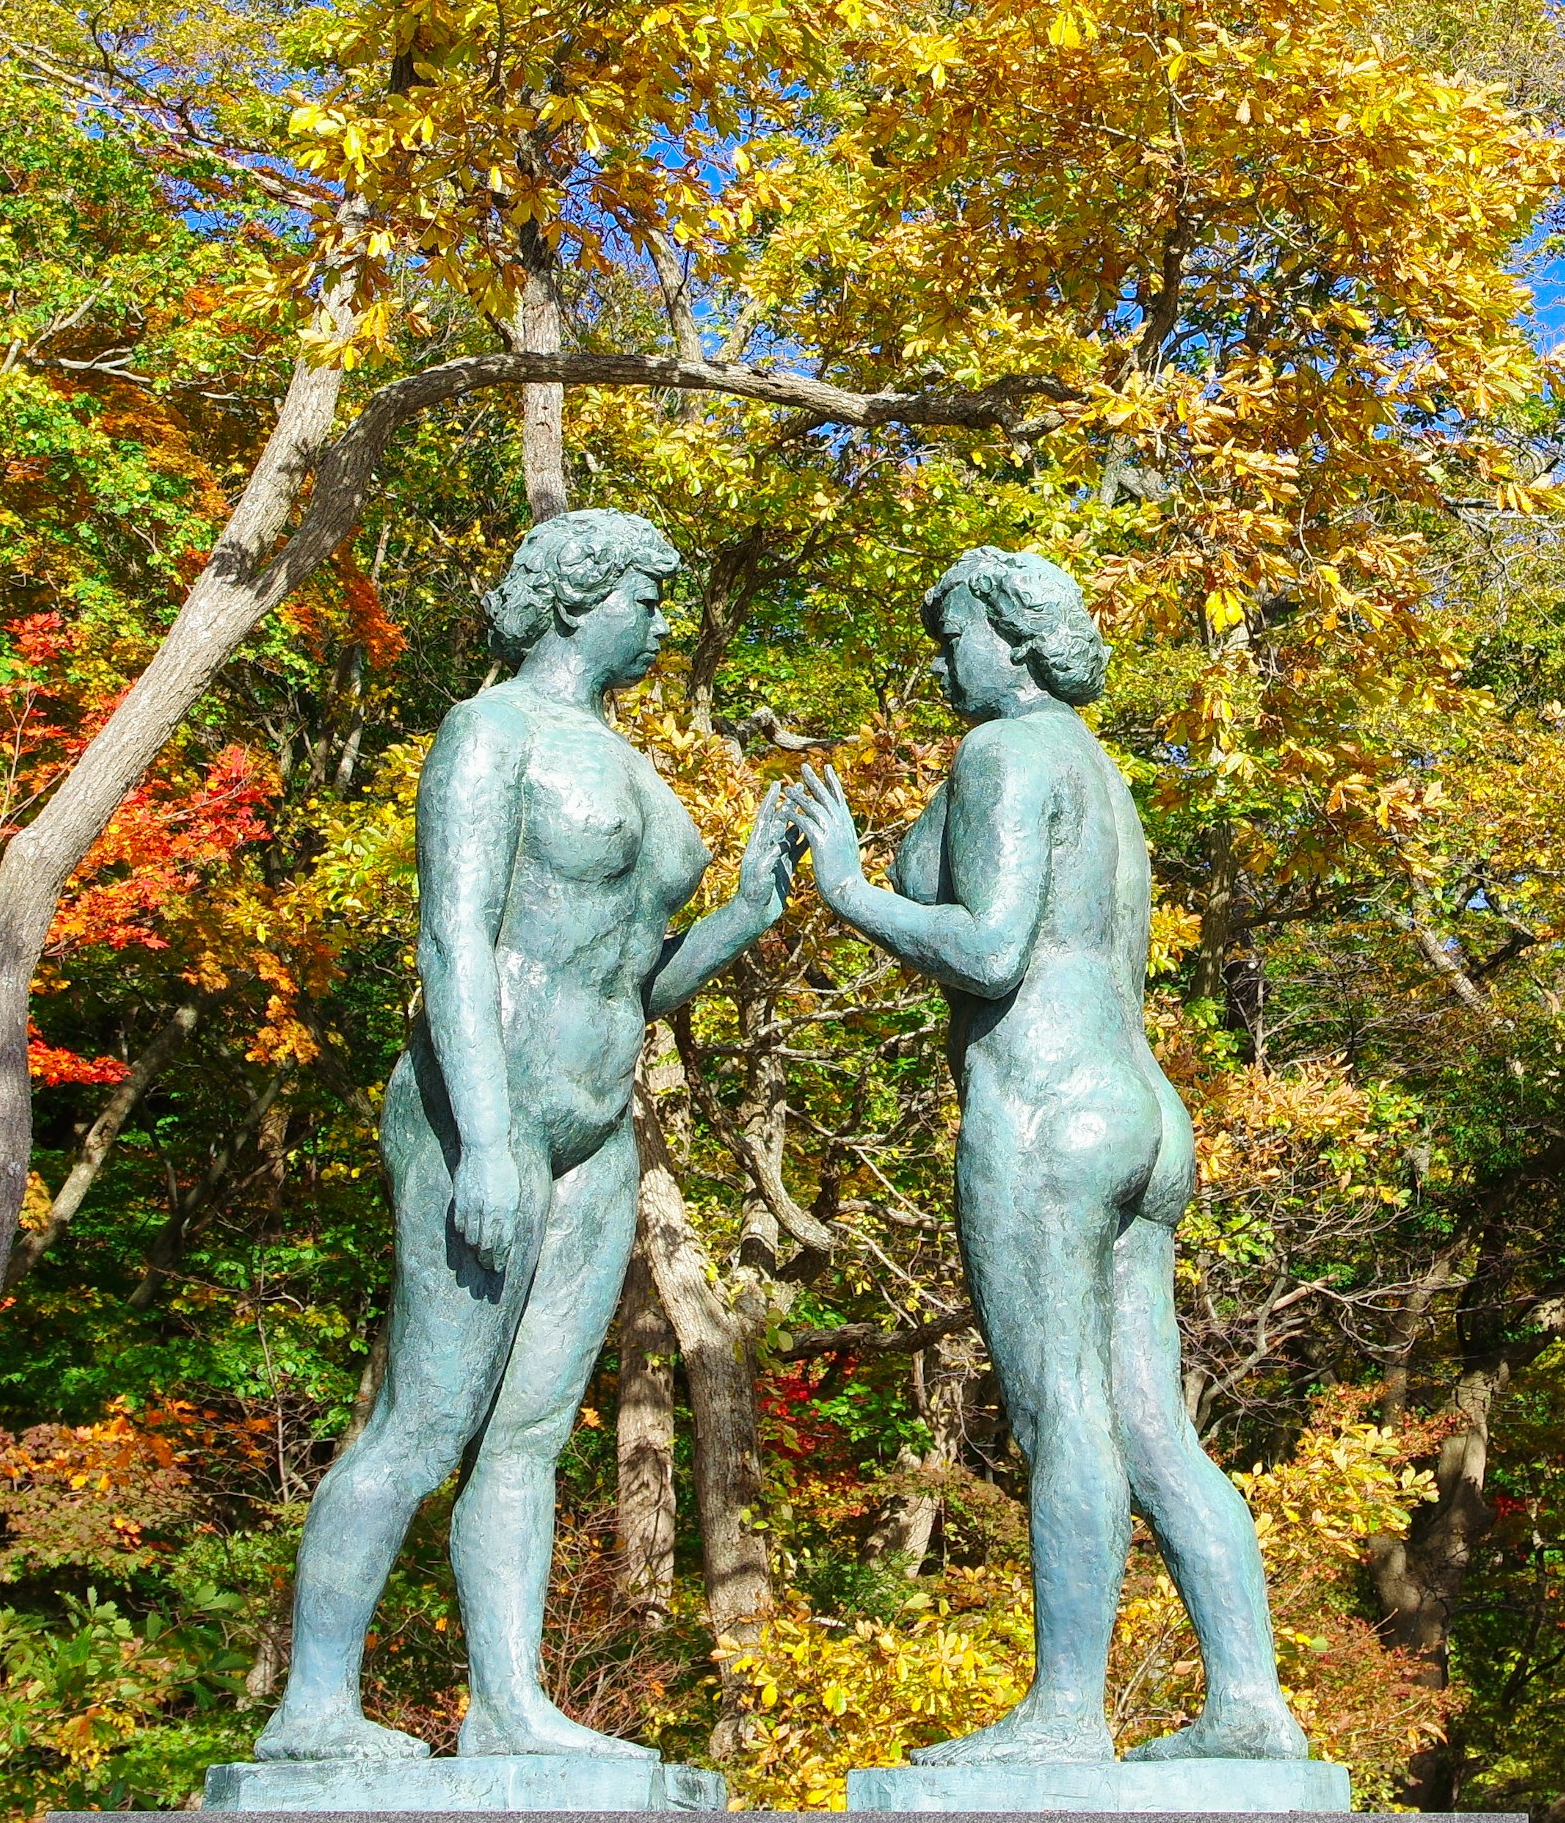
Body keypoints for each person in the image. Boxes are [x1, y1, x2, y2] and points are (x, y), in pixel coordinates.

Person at [259, 509, 795, 1764]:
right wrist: (488, 1140)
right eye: (644, 601)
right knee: (426, 1421)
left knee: (529, 1434)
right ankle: (311, 1710)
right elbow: (451, 939)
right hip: (476, 1110)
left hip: (598, 1129)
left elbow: (643, 982)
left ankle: (509, 1704)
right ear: (576, 597)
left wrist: (747, 910)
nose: (661, 626)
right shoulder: (488, 730)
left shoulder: (635, 766)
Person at [781, 548, 1309, 1767]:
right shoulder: (1092, 768)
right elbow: (960, 874)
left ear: (1012, 639)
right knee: (1152, 1424)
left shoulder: (1005, 754)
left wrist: (849, 892)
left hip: (1044, 1111)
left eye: (956, 634)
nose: (941, 658)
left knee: (1062, 1413)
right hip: (1141, 1109)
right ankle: (1248, 1705)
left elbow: (986, 946)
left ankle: (1065, 1715)